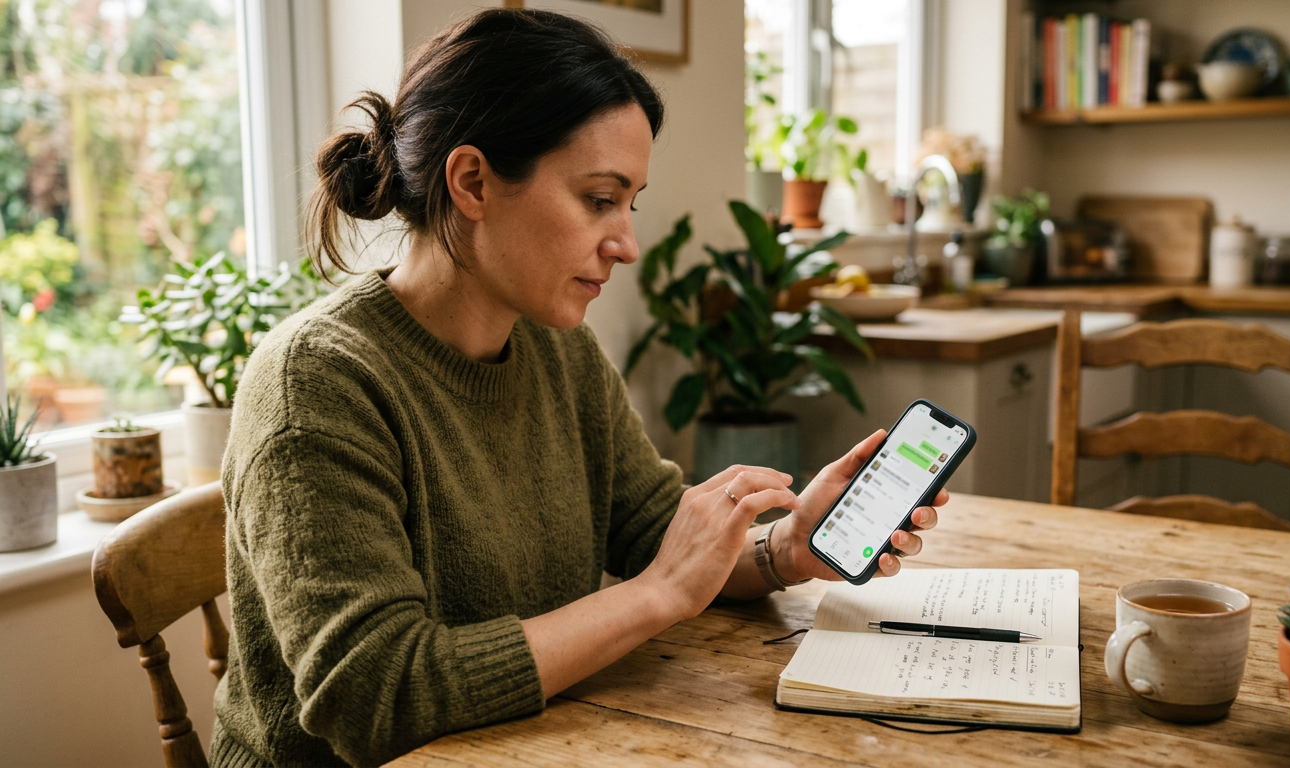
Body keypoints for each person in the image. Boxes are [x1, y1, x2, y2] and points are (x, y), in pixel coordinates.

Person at [210, 9, 945, 767]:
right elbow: (377, 697)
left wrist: (786, 547)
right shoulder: (318, 383)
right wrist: (654, 594)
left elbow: (654, 529)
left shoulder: (557, 349)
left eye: (631, 203)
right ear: (472, 182)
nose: (625, 243)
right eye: (599, 199)